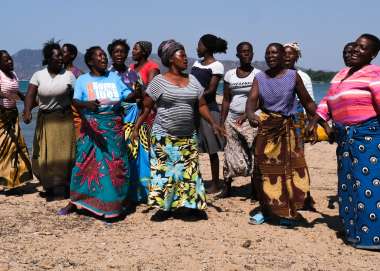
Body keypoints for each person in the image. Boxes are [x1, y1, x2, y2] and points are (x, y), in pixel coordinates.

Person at [132, 39, 224, 221]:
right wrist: (136, 127)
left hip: (188, 137)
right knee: (165, 174)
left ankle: (189, 207)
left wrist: (214, 123)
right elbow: (147, 107)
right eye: (181, 55)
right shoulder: (159, 81)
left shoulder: (193, 80)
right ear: (170, 59)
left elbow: (202, 104)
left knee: (189, 174)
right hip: (163, 137)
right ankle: (165, 209)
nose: (186, 58)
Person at [309, 34, 380, 249]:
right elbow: (328, 100)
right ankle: (353, 231)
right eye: (356, 46)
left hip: (368, 135)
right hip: (344, 137)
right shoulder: (341, 74)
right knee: (347, 184)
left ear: (373, 54)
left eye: (363, 48)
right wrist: (315, 120)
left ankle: (371, 238)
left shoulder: (375, 74)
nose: (356, 50)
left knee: (367, 185)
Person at [246, 43, 324, 226]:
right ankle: (266, 210)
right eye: (268, 53)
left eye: (275, 53)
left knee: (288, 171)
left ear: (283, 56)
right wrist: (250, 115)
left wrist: (321, 121)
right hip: (267, 128)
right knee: (263, 171)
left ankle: (288, 213)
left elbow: (307, 101)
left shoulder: (292, 76)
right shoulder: (260, 78)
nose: (271, 56)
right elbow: (251, 101)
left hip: (288, 129)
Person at [59, 46, 134, 218]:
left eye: (104, 56)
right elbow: (76, 101)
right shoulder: (83, 80)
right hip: (92, 127)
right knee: (85, 164)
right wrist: (88, 105)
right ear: (90, 61)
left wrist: (136, 94)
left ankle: (114, 204)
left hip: (113, 127)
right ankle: (76, 201)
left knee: (115, 165)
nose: (104, 58)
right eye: (99, 56)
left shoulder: (113, 77)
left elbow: (126, 95)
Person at [23, 40, 76, 200]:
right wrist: (26, 111)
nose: (60, 58)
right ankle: (49, 186)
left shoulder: (69, 76)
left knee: (64, 155)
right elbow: (30, 95)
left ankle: (65, 187)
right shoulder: (38, 75)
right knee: (44, 155)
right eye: (56, 56)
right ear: (48, 58)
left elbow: (76, 98)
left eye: (61, 55)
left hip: (63, 119)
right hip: (45, 119)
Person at [107, 39, 152, 204]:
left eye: (122, 52)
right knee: (117, 155)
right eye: (116, 52)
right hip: (115, 119)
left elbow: (141, 97)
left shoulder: (133, 74)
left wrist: (138, 96)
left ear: (126, 54)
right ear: (111, 54)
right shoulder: (107, 75)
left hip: (133, 119)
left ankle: (137, 193)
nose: (119, 55)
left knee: (136, 155)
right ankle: (117, 192)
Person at [218, 42, 260, 198]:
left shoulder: (258, 74)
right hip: (232, 119)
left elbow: (261, 100)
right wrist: (222, 122)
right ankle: (227, 188)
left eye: (249, 51)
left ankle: (255, 190)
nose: (246, 54)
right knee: (229, 153)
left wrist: (247, 115)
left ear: (252, 54)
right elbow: (226, 100)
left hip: (251, 119)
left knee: (253, 152)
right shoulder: (230, 75)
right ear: (237, 55)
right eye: (243, 52)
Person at [191, 34, 227, 193]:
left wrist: (193, 96)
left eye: (199, 45)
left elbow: (211, 90)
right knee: (194, 148)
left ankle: (215, 183)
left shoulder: (217, 66)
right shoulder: (196, 63)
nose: (197, 48)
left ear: (206, 47)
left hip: (208, 110)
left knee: (212, 149)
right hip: (193, 108)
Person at [283, 42, 316, 211]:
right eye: (285, 53)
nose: (287, 56)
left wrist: (313, 124)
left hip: (297, 120)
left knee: (298, 158)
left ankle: (305, 196)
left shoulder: (302, 76)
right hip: (279, 121)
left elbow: (309, 102)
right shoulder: (276, 75)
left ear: (297, 57)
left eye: (291, 54)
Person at [0, 50, 32, 189]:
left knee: (15, 148)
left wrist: (27, 103)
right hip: (1, 116)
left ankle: (11, 182)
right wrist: (4, 96)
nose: (10, 61)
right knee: (3, 148)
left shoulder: (13, 75)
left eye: (10, 59)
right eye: (6, 60)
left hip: (12, 114)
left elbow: (16, 91)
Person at [63, 43, 84, 138]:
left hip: (75, 113)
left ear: (72, 55)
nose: (60, 55)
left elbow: (84, 96)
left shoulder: (79, 74)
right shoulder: (57, 72)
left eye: (63, 52)